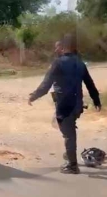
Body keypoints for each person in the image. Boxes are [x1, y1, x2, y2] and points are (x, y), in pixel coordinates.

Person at [28, 34, 102, 174]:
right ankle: (70, 154)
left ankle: (72, 165)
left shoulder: (58, 63)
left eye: (57, 46)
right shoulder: (80, 63)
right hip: (77, 105)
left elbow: (46, 84)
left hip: (65, 104)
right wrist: (96, 99)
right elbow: (89, 83)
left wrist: (33, 96)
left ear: (63, 47)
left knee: (69, 134)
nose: (55, 49)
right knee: (67, 129)